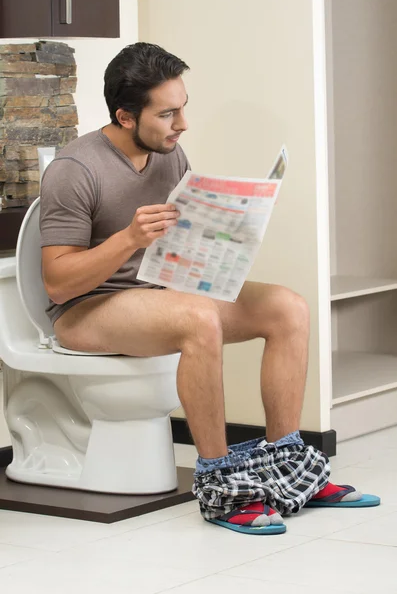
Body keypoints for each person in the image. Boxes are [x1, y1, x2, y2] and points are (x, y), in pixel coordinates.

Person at [40, 42, 379, 535]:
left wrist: (232, 231)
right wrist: (128, 239)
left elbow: (180, 240)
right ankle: (223, 487)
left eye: (183, 108)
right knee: (197, 319)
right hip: (86, 308)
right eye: (168, 113)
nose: (182, 124)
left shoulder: (169, 155)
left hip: (159, 291)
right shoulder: (75, 170)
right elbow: (57, 280)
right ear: (126, 116)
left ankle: (290, 469)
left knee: (287, 307)